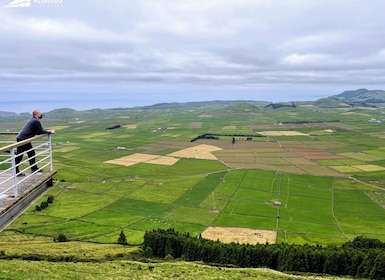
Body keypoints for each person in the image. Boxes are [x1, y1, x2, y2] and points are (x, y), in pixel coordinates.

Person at [15, 109, 55, 176]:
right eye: (40, 114)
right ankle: (33, 170)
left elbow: (38, 131)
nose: (41, 115)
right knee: (28, 154)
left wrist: (47, 131)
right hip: (23, 139)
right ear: (36, 114)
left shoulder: (33, 120)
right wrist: (50, 132)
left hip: (22, 138)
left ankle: (33, 169)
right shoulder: (36, 121)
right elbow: (41, 131)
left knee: (25, 154)